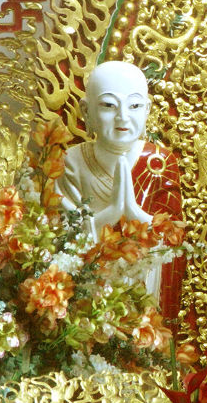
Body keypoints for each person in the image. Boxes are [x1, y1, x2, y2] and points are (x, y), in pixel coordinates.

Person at [56, 61, 184, 325]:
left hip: (143, 285)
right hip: (90, 295)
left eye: (135, 105)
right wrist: (110, 214)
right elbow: (62, 240)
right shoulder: (72, 160)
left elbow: (173, 237)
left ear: (148, 109)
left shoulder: (159, 162)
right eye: (108, 105)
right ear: (85, 110)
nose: (123, 117)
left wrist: (135, 213)